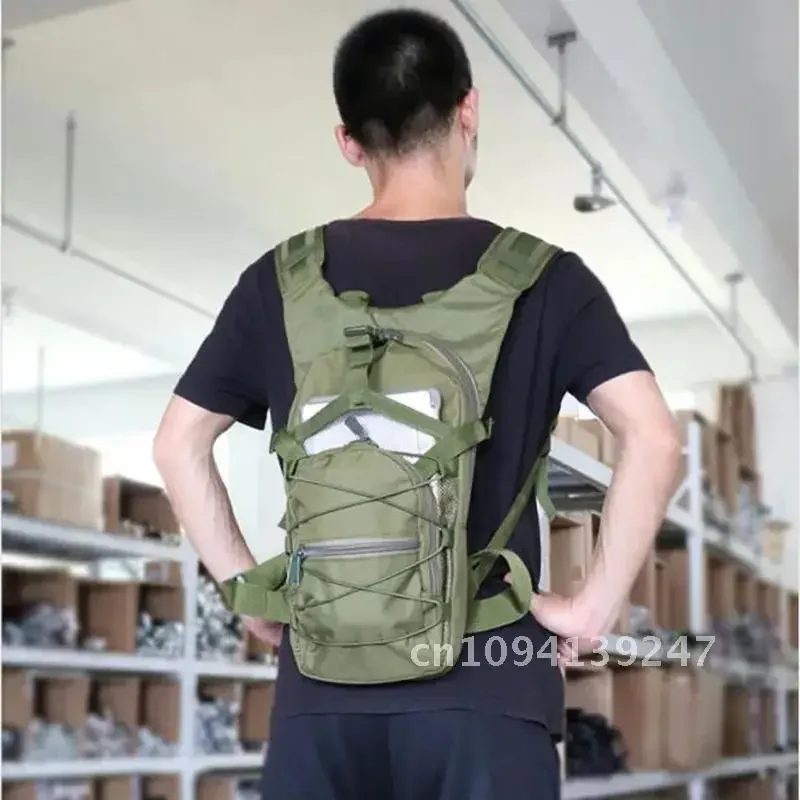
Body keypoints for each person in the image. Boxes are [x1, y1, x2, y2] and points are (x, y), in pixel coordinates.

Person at [153, 8, 682, 799]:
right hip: (488, 688)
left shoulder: (279, 282)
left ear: (348, 142)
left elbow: (177, 445)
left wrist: (244, 589)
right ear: (469, 111)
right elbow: (655, 439)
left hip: (320, 691)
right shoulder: (545, 280)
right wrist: (591, 608)